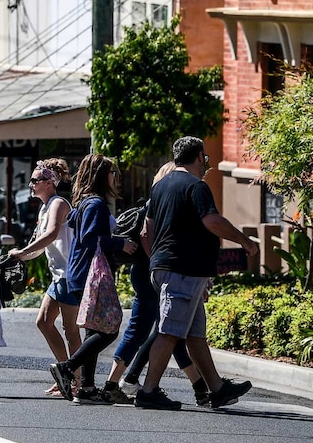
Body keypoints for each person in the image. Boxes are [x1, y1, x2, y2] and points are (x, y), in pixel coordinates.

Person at [136, 136, 259, 410]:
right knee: (169, 332)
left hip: (168, 269)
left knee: (194, 334)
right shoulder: (196, 186)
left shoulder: (160, 187)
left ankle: (216, 389)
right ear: (198, 156)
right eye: (205, 158)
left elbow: (147, 230)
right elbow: (212, 220)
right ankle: (148, 391)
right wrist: (245, 241)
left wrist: (155, 259)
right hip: (183, 270)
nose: (206, 163)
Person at [100, 161, 207, 405]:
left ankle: (200, 387)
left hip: (151, 271)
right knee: (144, 329)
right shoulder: (160, 203)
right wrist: (158, 266)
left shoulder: (161, 201)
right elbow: (149, 237)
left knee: (168, 331)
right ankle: (112, 383)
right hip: (153, 273)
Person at [49, 154, 137, 404]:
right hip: (91, 274)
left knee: (94, 329)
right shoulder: (96, 204)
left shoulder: (85, 202)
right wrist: (121, 244)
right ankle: (68, 368)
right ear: (101, 176)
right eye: (112, 173)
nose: (115, 178)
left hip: (81, 273)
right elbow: (89, 238)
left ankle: (86, 388)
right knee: (109, 328)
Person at [0, 158, 81, 397]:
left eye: (35, 180)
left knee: (70, 331)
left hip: (68, 274)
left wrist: (22, 252)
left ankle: (77, 380)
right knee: (43, 322)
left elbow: (53, 234)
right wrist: (20, 257)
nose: (31, 184)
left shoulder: (57, 203)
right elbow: (40, 246)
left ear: (49, 183)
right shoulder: (45, 207)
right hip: (58, 277)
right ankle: (67, 373)